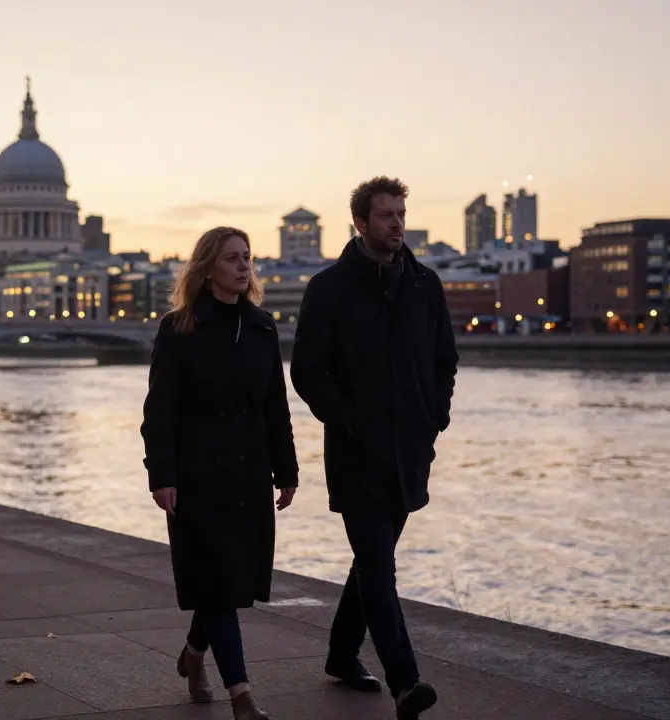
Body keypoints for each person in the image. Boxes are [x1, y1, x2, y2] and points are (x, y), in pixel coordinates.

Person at [290, 176, 458, 719]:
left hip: (410, 451)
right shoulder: (329, 289)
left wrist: (435, 419)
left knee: (372, 562)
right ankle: (406, 682)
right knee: (380, 567)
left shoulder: (424, 285)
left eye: (400, 215)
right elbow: (308, 372)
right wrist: (350, 422)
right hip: (357, 453)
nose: (396, 224)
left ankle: (342, 654)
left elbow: (443, 360)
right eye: (385, 216)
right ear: (360, 223)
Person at [140, 226, 299, 720]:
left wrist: (287, 469)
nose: (243, 265)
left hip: (249, 476)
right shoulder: (179, 328)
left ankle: (193, 655)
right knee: (217, 582)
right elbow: (159, 411)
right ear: (208, 267)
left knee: (228, 583)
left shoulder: (262, 328)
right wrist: (161, 474)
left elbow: (276, 406)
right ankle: (242, 696)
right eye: (232, 258)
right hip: (197, 479)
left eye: (247, 257)